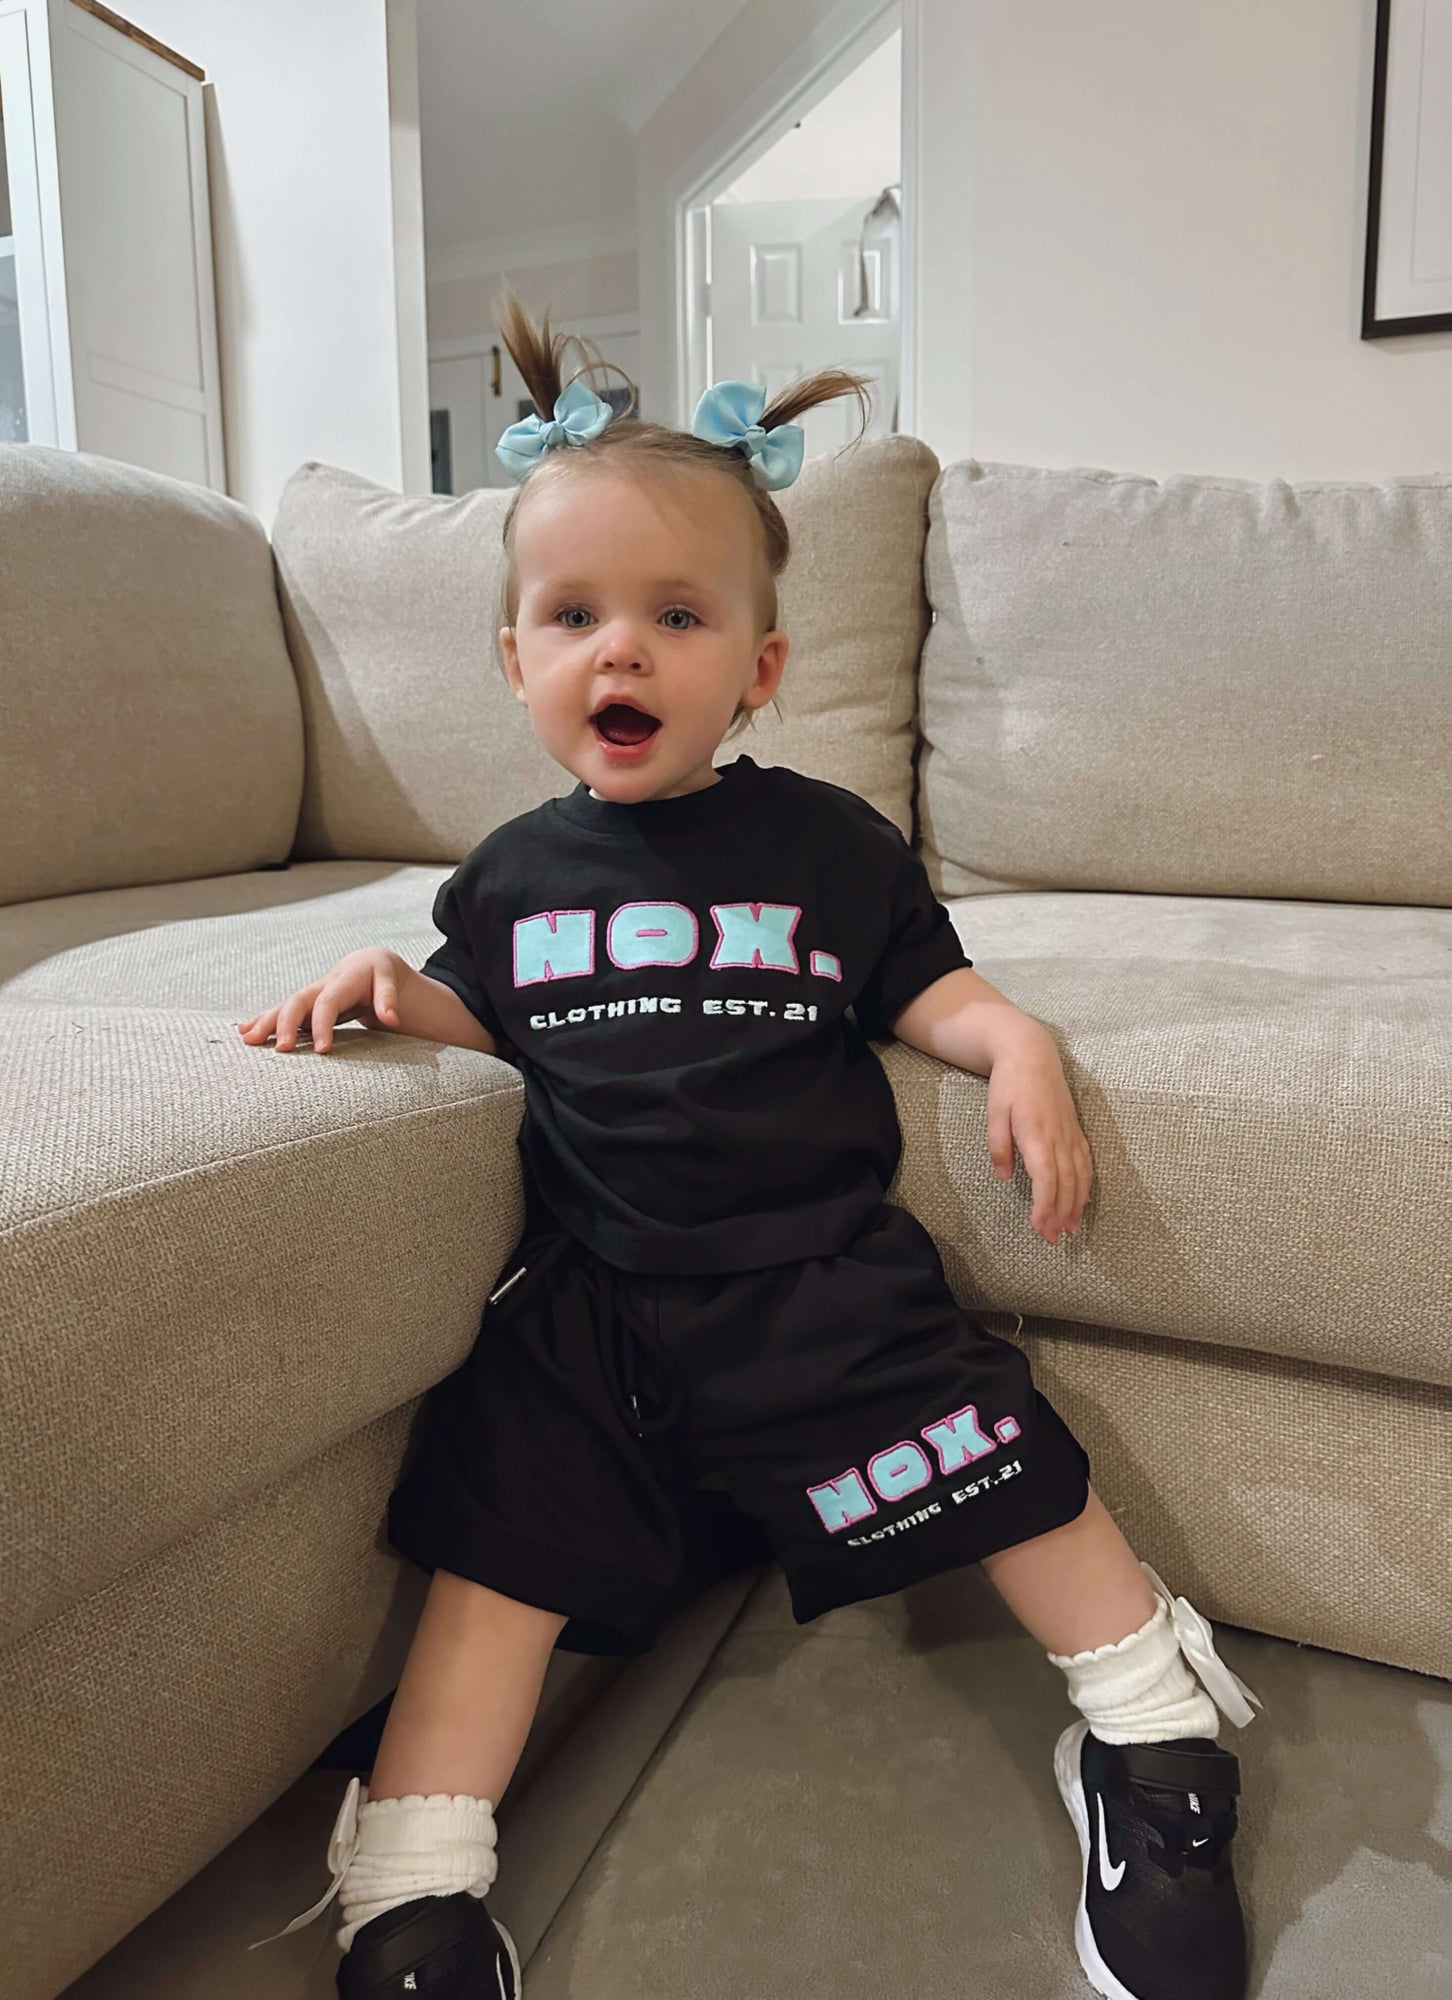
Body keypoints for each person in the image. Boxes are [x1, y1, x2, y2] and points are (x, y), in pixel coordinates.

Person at [239, 294, 1261, 2000]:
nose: (618, 653)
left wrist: (1015, 1038)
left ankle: (1155, 1735)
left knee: (997, 1450)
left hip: (816, 1277)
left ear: (759, 669)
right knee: (500, 1547)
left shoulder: (829, 846)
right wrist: (399, 996)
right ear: (513, 662)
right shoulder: (503, 878)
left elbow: (925, 985)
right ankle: (415, 1878)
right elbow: (509, 1016)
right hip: (594, 1300)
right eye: (571, 616)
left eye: (676, 615)